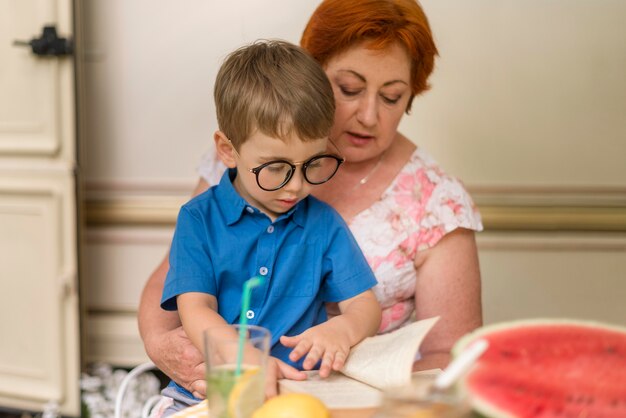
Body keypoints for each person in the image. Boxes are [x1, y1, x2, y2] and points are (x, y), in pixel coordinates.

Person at [138, 0, 483, 400]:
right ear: (313, 76)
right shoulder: (234, 172)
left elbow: (452, 355)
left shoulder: (427, 202)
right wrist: (170, 348)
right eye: (349, 89)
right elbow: (176, 290)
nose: (369, 115)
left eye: (391, 97)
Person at [154, 39, 381, 415]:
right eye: (276, 167)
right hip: (211, 391)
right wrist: (242, 357)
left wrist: (343, 329)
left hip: (296, 394)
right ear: (227, 150)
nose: (296, 186)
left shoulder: (322, 223)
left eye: (312, 164)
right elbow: (195, 308)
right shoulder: (198, 220)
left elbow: (364, 304)